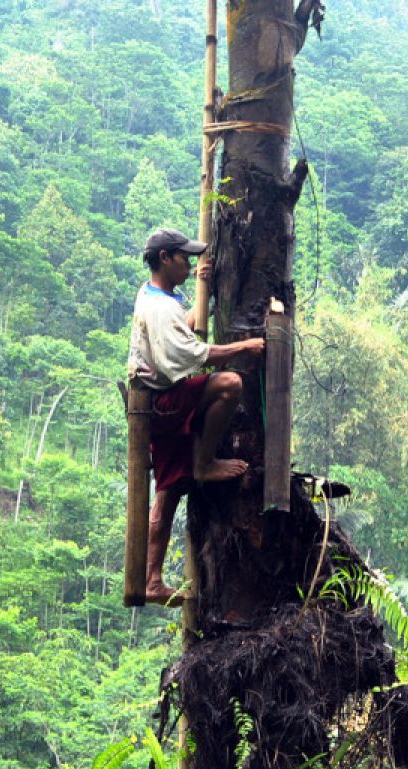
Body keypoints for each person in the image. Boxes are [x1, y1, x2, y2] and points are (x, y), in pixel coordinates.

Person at [127, 228, 265, 605]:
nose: (189, 264)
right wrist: (245, 346)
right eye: (184, 258)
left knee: (168, 492)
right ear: (165, 258)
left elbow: (178, 332)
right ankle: (203, 462)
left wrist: (204, 294)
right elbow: (192, 355)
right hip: (165, 401)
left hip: (153, 403)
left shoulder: (153, 294)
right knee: (230, 384)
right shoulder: (158, 307)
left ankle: (153, 581)